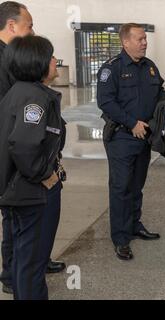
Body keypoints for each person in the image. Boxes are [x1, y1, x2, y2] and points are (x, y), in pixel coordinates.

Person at [0, 1, 65, 296]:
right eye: (53, 59)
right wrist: (44, 175)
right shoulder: (33, 99)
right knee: (30, 263)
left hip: (17, 190)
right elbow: (24, 145)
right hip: (30, 192)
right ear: (40, 63)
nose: (56, 63)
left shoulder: (21, 91)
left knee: (26, 259)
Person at [97, 23, 165, 261]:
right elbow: (106, 102)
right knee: (121, 188)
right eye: (139, 39)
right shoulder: (112, 69)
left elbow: (161, 95)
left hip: (144, 137)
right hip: (122, 138)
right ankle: (120, 238)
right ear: (125, 42)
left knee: (137, 185)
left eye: (145, 39)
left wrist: (164, 114)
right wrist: (132, 123)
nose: (144, 42)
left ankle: (134, 226)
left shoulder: (150, 67)